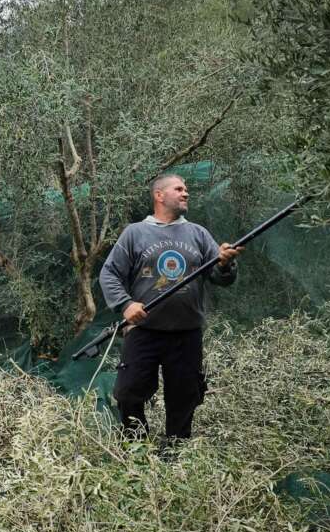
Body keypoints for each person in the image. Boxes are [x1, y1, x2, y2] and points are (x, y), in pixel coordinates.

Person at [99, 174, 243, 439]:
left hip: (186, 333)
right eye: (179, 189)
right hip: (144, 330)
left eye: (186, 189)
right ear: (159, 195)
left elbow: (220, 278)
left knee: (184, 396)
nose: (185, 193)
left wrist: (224, 263)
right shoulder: (135, 233)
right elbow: (109, 274)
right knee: (129, 392)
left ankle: (177, 450)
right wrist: (126, 304)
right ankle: (135, 447)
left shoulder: (197, 233)